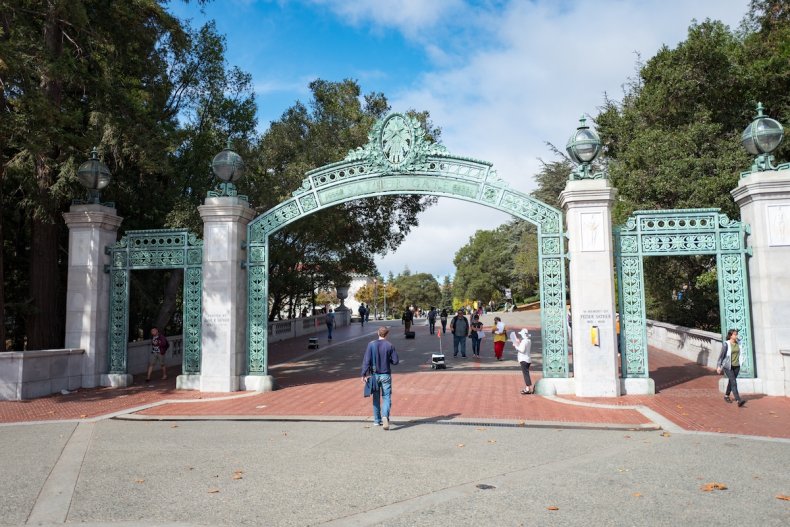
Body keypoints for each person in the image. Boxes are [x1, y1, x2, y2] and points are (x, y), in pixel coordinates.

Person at [360, 326, 400, 429]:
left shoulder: (371, 344)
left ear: (378, 333)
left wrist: (363, 374)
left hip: (374, 375)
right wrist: (388, 359)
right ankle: (385, 416)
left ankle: (377, 420)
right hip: (386, 375)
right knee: (386, 397)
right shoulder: (389, 345)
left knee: (376, 398)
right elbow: (395, 361)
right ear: (387, 334)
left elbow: (366, 360)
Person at [717, 329, 746, 407]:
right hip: (728, 366)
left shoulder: (738, 343)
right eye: (734, 334)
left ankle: (726, 395)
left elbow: (741, 348)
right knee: (733, 382)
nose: (736, 336)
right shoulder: (726, 344)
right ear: (730, 336)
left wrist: (742, 361)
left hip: (737, 366)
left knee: (731, 381)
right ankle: (738, 400)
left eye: (736, 334)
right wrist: (719, 366)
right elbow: (721, 356)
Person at [514, 328, 533, 394]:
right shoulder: (528, 340)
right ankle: (528, 387)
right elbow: (523, 347)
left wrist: (516, 346)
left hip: (523, 359)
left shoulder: (524, 341)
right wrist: (519, 343)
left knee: (525, 374)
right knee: (526, 373)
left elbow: (521, 350)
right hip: (528, 359)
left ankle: (528, 388)